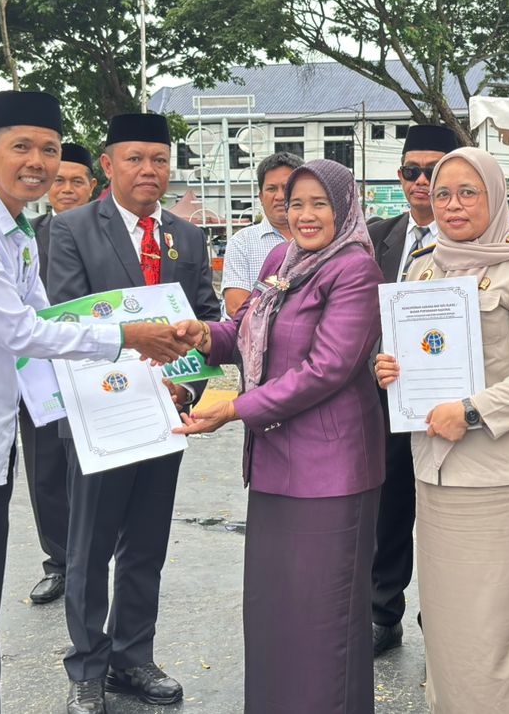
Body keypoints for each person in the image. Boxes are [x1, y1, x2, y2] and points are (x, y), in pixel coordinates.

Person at [0, 92, 191, 714]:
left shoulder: (16, 227)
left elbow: (40, 328)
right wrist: (127, 338)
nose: (38, 162)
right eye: (21, 147)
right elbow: (22, 331)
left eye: (49, 149)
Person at [373, 147, 509, 713]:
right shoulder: (424, 268)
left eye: (469, 192)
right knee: (453, 624)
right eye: (442, 193)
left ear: (494, 196)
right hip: (439, 476)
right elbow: (406, 358)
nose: (453, 205)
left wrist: (468, 411)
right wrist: (388, 368)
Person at [174, 158, 384, 714]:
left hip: (332, 470)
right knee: (276, 612)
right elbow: (246, 333)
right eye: (295, 203)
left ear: (344, 208)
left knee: (324, 618)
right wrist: (203, 336)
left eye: (320, 203)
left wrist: (235, 408)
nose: (306, 215)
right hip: (274, 463)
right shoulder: (280, 259)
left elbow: (328, 368)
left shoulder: (356, 269)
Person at [47, 114, 221, 714]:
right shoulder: (69, 229)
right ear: (108, 163)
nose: (149, 170)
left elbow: (204, 318)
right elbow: (67, 322)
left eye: (159, 159)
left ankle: (133, 658)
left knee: (146, 544)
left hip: (166, 411)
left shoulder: (187, 236)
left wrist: (188, 389)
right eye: (135, 159)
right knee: (90, 545)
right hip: (101, 412)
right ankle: (87, 668)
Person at [365, 122, 458, 655]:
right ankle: (383, 614)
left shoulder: (477, 237)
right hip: (387, 399)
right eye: (411, 171)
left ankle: (442, 622)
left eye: (434, 171)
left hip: (453, 402)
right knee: (389, 510)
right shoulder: (379, 236)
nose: (422, 182)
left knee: (447, 518)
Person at [17, 141, 95, 607]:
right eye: (59, 180)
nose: (66, 189)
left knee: (92, 469)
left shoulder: (105, 234)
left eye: (76, 181)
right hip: (40, 370)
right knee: (45, 470)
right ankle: (60, 563)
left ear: (93, 185)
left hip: (95, 365)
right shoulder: (26, 233)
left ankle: (93, 559)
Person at [220, 151, 302, 318]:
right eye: (271, 189)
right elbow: (236, 307)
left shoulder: (319, 239)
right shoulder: (241, 242)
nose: (279, 196)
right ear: (261, 196)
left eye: (286, 188)